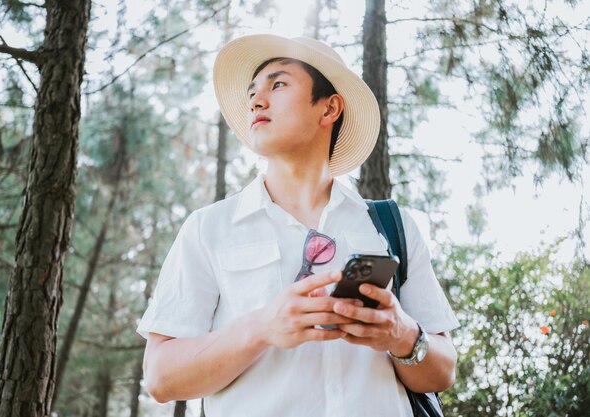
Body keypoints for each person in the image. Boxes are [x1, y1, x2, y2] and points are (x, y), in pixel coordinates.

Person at [138, 34, 460, 417]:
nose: (256, 100)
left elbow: (442, 372)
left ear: (329, 108)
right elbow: (161, 378)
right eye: (252, 91)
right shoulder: (208, 228)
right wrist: (261, 328)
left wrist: (402, 334)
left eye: (278, 84)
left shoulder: (393, 226)